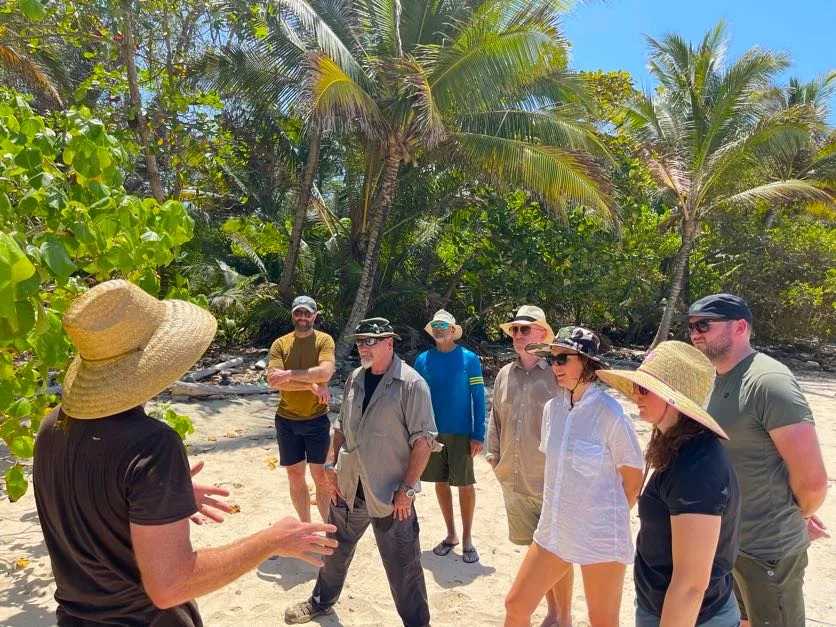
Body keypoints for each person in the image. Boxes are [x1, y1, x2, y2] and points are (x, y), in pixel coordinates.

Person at [33, 280, 337, 626]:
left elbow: (89, 498)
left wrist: (156, 499)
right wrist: (270, 541)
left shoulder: (52, 426)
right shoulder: (151, 444)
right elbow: (171, 586)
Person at [285, 317, 439, 626]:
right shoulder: (355, 376)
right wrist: (330, 465)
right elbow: (341, 426)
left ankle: (418, 623)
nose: (363, 347)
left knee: (403, 564)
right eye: (360, 341)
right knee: (334, 549)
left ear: (389, 343)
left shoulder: (411, 384)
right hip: (348, 486)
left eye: (370, 341)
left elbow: (424, 442)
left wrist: (407, 489)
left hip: (390, 495)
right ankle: (321, 601)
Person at [687, 293, 828, 626]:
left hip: (768, 550)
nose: (695, 332)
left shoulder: (768, 382)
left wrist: (793, 515)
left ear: (740, 327)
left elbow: (813, 481)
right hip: (729, 543)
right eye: (691, 325)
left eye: (705, 324)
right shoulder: (713, 379)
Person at [505, 327, 644, 627]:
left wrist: (600, 518)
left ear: (586, 362)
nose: (555, 367)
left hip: (600, 537)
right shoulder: (552, 409)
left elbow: (633, 480)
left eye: (562, 359)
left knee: (603, 621)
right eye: (553, 360)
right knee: (516, 605)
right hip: (554, 531)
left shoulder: (611, 414)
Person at [598, 341, 742, 626]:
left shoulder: (697, 468)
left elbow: (691, 585)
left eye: (644, 389)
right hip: (665, 608)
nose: (635, 396)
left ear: (672, 399)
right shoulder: (677, 445)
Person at [486, 305, 573, 626]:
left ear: (542, 334)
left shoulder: (557, 373)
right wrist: (493, 456)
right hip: (513, 478)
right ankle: (552, 610)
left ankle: (561, 616)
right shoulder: (505, 374)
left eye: (525, 329)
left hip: (550, 481)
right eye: (514, 330)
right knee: (536, 551)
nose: (518, 335)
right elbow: (495, 417)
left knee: (556, 552)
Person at [414, 309, 486, 564]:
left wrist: (478, 434)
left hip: (462, 432)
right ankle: (451, 535)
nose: (439, 329)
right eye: (435, 325)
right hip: (431, 432)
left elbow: (478, 398)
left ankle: (467, 539)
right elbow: (416, 398)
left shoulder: (469, 358)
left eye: (444, 325)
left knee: (465, 485)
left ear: (453, 330)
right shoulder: (422, 359)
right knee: (440, 483)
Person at [267, 295, 336, 523]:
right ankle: (306, 528)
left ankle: (327, 527)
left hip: (317, 419)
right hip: (286, 420)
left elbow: (326, 371)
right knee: (295, 475)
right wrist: (312, 384)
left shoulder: (324, 341)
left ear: (315, 315)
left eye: (307, 313)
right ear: (293, 314)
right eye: (299, 312)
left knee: (321, 475)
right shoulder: (280, 344)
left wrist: (289, 375)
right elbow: (273, 381)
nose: (303, 317)